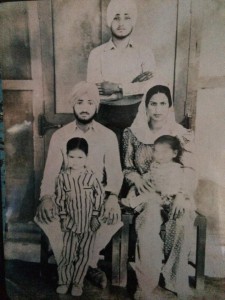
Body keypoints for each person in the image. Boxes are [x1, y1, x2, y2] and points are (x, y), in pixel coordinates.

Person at [35, 82, 123, 289]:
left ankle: (88, 263)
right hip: (65, 196)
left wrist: (112, 198)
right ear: (72, 105)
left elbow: (115, 173)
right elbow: (50, 173)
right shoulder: (60, 136)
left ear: (97, 107)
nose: (85, 107)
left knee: (109, 219)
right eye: (80, 102)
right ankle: (67, 264)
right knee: (49, 218)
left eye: (90, 102)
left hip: (95, 198)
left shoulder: (108, 136)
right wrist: (47, 197)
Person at [122, 83, 197, 299]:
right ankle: (145, 282)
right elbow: (127, 167)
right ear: (146, 107)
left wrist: (183, 195)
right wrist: (136, 178)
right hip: (147, 193)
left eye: (163, 103)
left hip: (176, 191)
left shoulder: (181, 135)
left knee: (181, 218)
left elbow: (191, 169)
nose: (157, 109)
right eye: (153, 103)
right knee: (150, 218)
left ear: (169, 107)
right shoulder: (133, 134)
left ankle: (174, 278)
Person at [87, 0, 156, 137]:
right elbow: (94, 91)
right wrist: (133, 87)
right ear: (109, 21)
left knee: (135, 157)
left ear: (133, 22)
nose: (121, 24)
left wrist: (118, 88)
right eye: (116, 18)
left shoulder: (145, 52)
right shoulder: (96, 54)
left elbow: (150, 87)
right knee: (108, 157)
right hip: (105, 115)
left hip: (137, 114)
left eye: (127, 17)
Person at [55, 137, 104, 296]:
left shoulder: (92, 176)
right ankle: (64, 281)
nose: (75, 161)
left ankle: (77, 283)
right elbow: (60, 198)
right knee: (67, 254)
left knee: (84, 255)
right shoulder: (62, 177)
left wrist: (95, 216)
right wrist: (63, 217)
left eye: (80, 157)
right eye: (71, 157)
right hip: (70, 223)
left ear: (87, 158)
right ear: (66, 156)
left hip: (89, 224)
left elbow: (99, 197)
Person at [121, 135, 185, 211]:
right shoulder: (155, 165)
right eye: (157, 152)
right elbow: (150, 174)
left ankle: (132, 203)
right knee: (137, 188)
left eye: (164, 152)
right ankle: (130, 200)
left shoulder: (175, 168)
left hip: (166, 196)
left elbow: (175, 185)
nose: (160, 156)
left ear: (174, 153)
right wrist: (145, 179)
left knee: (149, 196)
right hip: (154, 189)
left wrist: (158, 187)